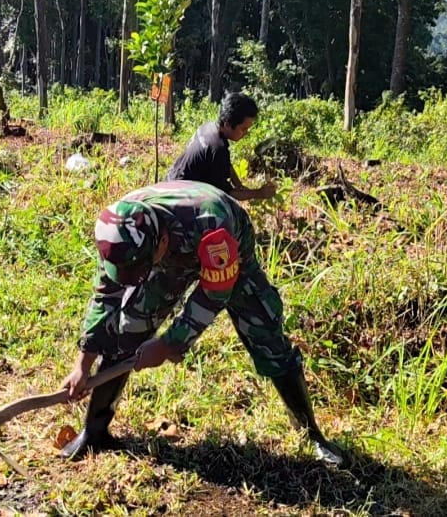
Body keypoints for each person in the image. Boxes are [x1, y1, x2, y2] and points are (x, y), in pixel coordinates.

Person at [59, 180, 345, 466]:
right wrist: (82, 365)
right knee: (126, 332)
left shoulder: (212, 224)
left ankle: (313, 436)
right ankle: (95, 432)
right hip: (168, 261)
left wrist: (169, 343)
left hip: (230, 256)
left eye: (140, 269)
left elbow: (214, 295)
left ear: (161, 242)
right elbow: (106, 297)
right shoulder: (119, 234)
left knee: (267, 337)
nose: (134, 277)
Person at [166, 93, 275, 202]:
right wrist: (259, 193)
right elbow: (226, 194)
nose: (246, 133)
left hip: (171, 180)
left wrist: (239, 185)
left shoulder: (209, 127)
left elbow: (226, 165)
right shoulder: (218, 148)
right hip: (179, 196)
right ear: (227, 124)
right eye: (243, 129)